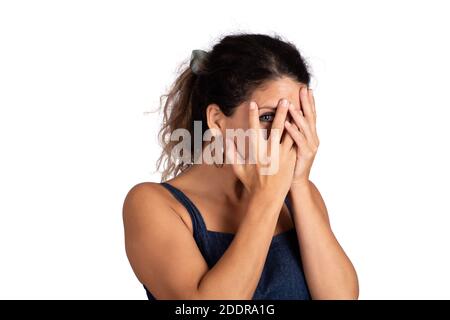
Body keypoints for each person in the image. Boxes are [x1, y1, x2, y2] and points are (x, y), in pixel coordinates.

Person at [123, 33, 359, 299]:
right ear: (217, 120)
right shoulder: (152, 204)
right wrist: (266, 197)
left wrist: (297, 184)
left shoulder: (300, 195)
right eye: (269, 117)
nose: (287, 132)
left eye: (297, 117)